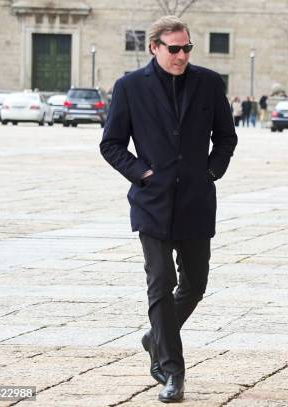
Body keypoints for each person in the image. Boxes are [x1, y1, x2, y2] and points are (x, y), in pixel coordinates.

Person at [99, 15, 237, 402]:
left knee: (194, 285)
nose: (181, 55)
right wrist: (142, 172)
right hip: (153, 202)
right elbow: (110, 144)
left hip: (196, 201)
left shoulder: (208, 83)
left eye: (186, 48)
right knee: (159, 284)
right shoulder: (129, 87)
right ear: (155, 48)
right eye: (174, 49)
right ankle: (172, 371)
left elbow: (226, 137)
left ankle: (155, 335)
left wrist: (211, 170)